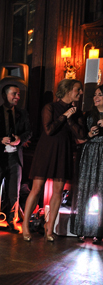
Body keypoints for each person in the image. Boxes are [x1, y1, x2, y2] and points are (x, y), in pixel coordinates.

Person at [22, 79, 86, 242]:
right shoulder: (50, 107)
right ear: (68, 90)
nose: (81, 93)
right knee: (36, 189)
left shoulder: (76, 112)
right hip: (46, 150)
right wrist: (65, 116)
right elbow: (49, 130)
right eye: (78, 90)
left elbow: (80, 135)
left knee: (58, 191)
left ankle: (49, 228)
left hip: (63, 151)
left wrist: (70, 118)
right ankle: (25, 226)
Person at [0, 84, 31, 233]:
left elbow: (29, 132)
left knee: (14, 190)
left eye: (19, 94)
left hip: (15, 157)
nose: (17, 97)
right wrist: (0, 140)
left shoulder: (22, 113)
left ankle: (11, 220)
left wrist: (20, 139)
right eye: (14, 94)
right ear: (4, 95)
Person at [73, 85, 103, 244]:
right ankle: (82, 228)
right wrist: (90, 133)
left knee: (101, 191)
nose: (96, 97)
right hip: (90, 152)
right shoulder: (88, 115)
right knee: (87, 189)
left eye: (100, 95)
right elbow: (80, 135)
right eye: (95, 95)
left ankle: (99, 230)